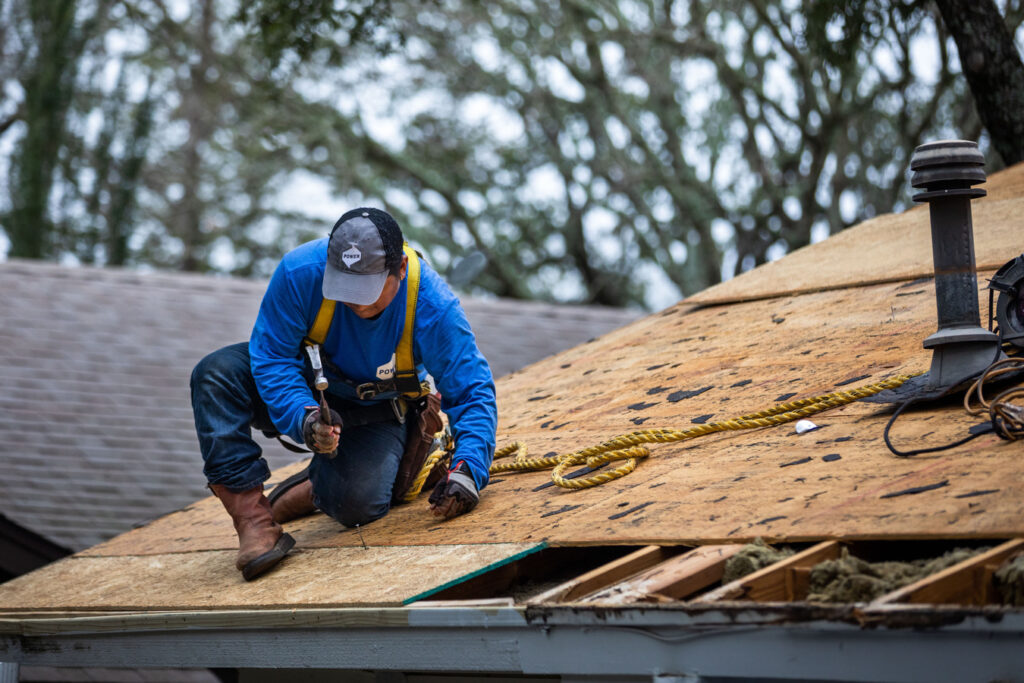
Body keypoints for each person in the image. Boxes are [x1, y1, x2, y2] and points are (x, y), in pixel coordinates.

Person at [190, 207, 497, 580]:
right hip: (310, 389)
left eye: (368, 290)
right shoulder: (299, 273)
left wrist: (468, 470)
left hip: (380, 407)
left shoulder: (433, 306)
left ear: (399, 268)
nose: (357, 303)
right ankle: (254, 522)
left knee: (356, 505)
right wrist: (304, 417)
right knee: (216, 375)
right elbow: (271, 358)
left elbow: (473, 392)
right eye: (346, 289)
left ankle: (325, 482)